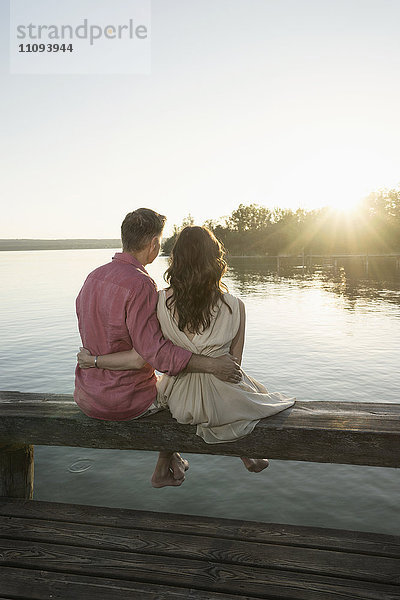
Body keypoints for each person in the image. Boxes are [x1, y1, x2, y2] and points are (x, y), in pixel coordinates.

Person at [78, 225, 296, 476]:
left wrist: (95, 360)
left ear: (176, 260)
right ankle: (247, 454)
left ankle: (168, 464)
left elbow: (156, 353)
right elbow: (233, 365)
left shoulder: (160, 301)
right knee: (255, 392)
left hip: (180, 402)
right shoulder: (236, 306)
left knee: (166, 384)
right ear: (215, 259)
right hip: (221, 400)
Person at [75, 210, 241, 489]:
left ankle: (171, 462)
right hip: (127, 402)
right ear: (153, 244)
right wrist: (213, 364)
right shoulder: (141, 284)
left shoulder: (93, 277)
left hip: (87, 397)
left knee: (176, 385)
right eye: (160, 242)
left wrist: (93, 361)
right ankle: (237, 453)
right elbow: (153, 355)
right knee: (184, 392)